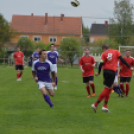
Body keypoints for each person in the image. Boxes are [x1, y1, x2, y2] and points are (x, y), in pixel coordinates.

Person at [91, 44, 133, 113]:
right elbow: (122, 60)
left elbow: (101, 64)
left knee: (110, 88)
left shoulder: (104, 54)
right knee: (107, 88)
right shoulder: (116, 51)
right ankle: (95, 105)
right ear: (109, 48)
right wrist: (129, 67)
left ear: (104, 49)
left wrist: (98, 72)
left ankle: (105, 106)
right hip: (111, 72)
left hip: (106, 72)